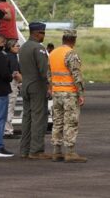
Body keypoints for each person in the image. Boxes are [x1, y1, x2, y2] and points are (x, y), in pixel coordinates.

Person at [50, 29, 87, 163]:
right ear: (74, 40)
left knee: (57, 121)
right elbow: (76, 75)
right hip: (69, 93)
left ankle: (56, 151)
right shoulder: (70, 54)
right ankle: (70, 152)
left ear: (63, 39)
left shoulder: (53, 53)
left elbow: (49, 74)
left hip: (56, 92)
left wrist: (51, 89)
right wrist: (81, 93)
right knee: (71, 122)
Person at [19, 22, 52, 159]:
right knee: (39, 118)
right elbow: (44, 70)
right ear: (36, 33)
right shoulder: (38, 48)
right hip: (37, 86)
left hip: (26, 85)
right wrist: (50, 85)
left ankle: (24, 150)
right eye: (42, 33)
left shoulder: (23, 47)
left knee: (27, 118)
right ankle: (36, 150)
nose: (43, 36)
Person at [5, 39, 22, 138]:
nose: (18, 47)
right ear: (11, 47)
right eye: (16, 46)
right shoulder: (12, 57)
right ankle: (8, 130)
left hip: (6, 83)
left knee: (7, 106)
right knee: (10, 106)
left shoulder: (6, 56)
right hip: (12, 83)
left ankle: (6, 128)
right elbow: (15, 73)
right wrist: (23, 81)